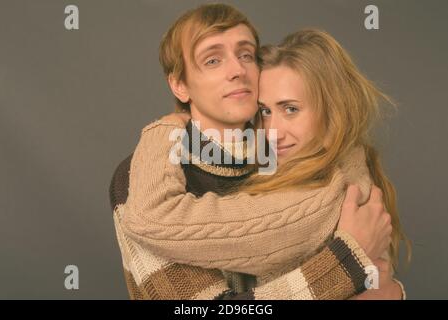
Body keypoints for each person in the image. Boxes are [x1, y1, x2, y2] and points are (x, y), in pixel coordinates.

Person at [113, 3, 405, 300]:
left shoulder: (286, 160)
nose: (237, 70)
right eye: (213, 60)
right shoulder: (141, 178)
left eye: (245, 55)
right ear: (179, 86)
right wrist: (345, 262)